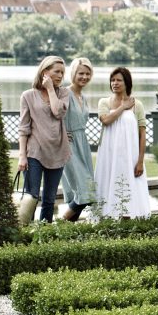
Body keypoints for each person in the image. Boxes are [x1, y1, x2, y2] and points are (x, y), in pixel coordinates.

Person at [17, 55, 71, 224]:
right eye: (57, 71)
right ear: (45, 71)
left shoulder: (64, 93)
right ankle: (26, 233)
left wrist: (50, 89)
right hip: (35, 152)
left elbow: (58, 112)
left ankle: (44, 235)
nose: (61, 75)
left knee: (49, 199)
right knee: (31, 197)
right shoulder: (28, 96)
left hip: (58, 151)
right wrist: (22, 155)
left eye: (62, 72)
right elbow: (24, 128)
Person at [94, 66, 150, 219]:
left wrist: (140, 161)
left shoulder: (137, 105)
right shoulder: (104, 102)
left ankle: (130, 218)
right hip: (108, 155)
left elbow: (142, 134)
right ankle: (106, 218)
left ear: (127, 83)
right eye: (112, 80)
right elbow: (106, 120)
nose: (115, 83)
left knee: (131, 186)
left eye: (119, 80)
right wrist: (123, 107)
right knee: (106, 184)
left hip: (130, 156)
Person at [60, 58, 99, 222]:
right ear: (73, 74)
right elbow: (53, 115)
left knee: (87, 190)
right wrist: (61, 133)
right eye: (81, 73)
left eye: (87, 73)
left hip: (82, 144)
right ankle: (59, 226)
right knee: (83, 191)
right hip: (68, 146)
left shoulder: (83, 96)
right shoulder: (64, 93)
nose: (84, 77)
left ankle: (67, 232)